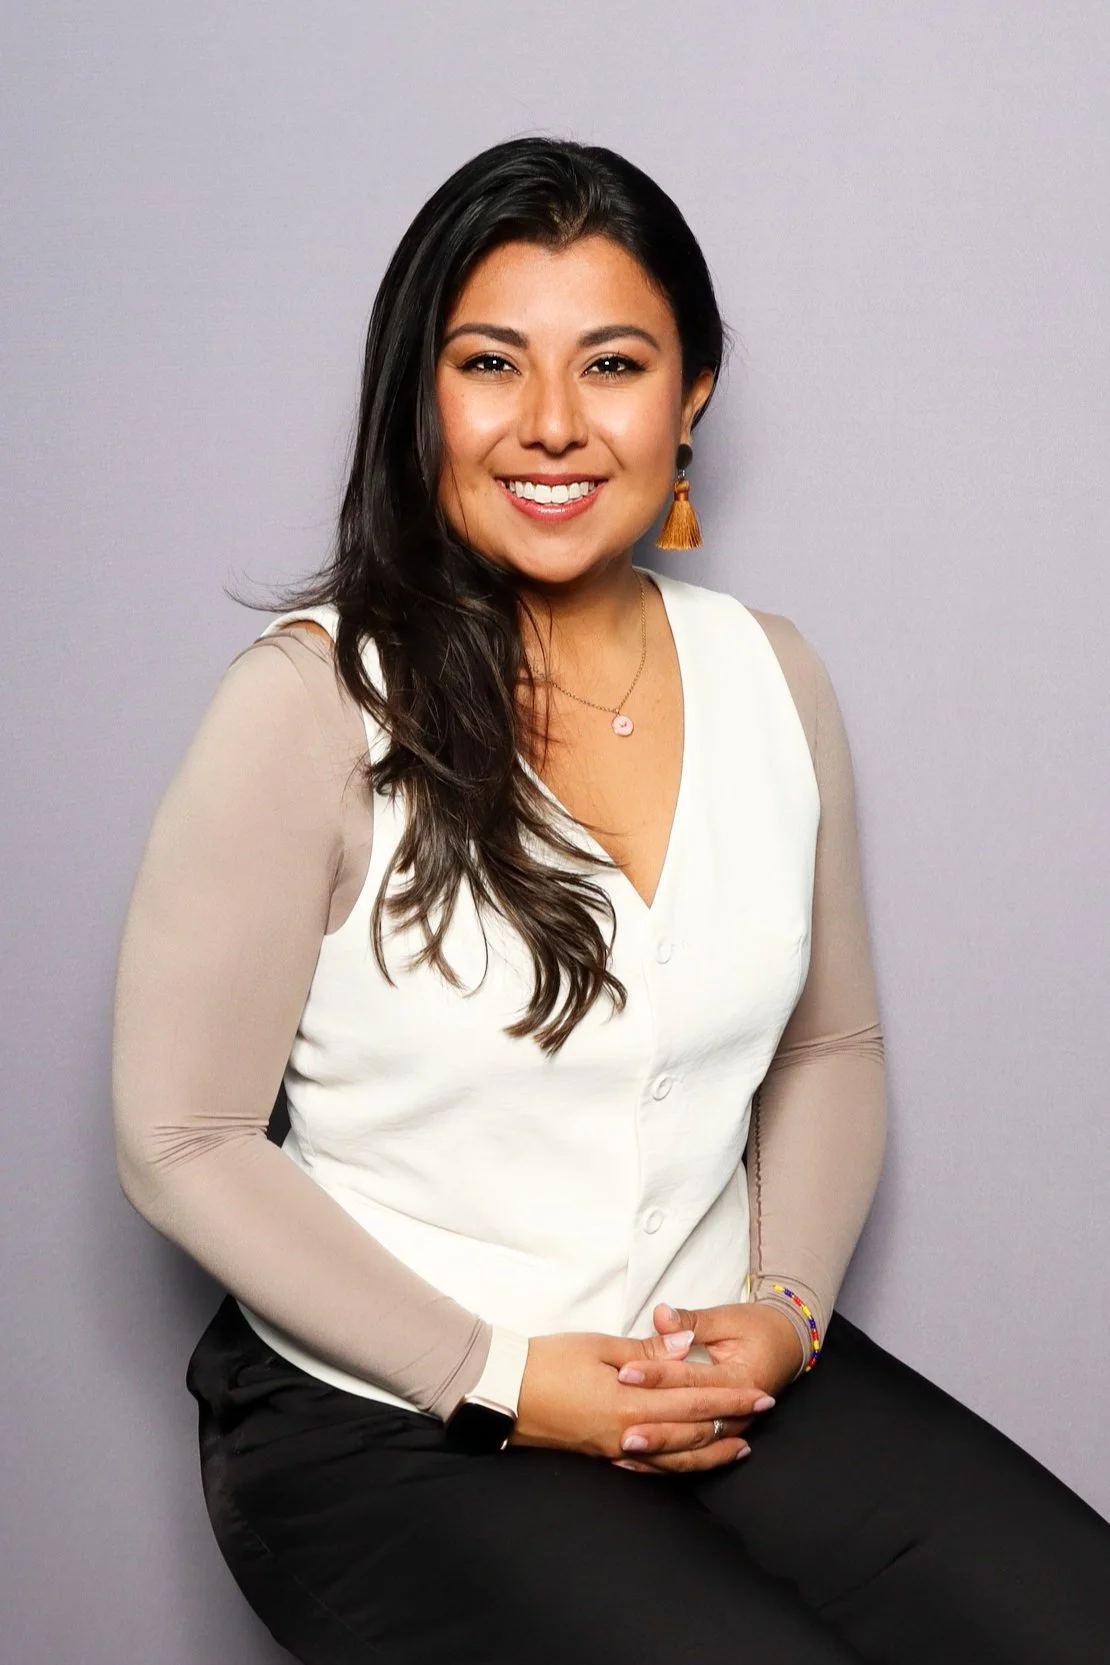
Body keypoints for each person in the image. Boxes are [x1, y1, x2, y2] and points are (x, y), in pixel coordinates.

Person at [111, 134, 1110, 1664]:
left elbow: (830, 1050)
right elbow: (180, 1140)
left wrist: (782, 1310)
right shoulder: (310, 704)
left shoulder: (767, 673)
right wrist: (500, 1373)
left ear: (690, 394)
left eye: (616, 364)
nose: (554, 425)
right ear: (421, 395)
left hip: (703, 1361)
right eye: (492, 362)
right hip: (386, 1418)